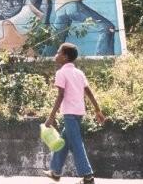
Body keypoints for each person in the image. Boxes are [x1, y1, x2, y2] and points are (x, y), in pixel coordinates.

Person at [44, 42, 105, 184]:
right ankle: (55, 171)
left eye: (58, 52)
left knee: (76, 144)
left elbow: (60, 95)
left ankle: (88, 176)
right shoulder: (79, 73)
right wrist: (97, 110)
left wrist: (51, 117)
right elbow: (88, 92)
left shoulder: (61, 73)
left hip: (69, 114)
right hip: (79, 113)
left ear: (65, 57)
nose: (56, 54)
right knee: (64, 142)